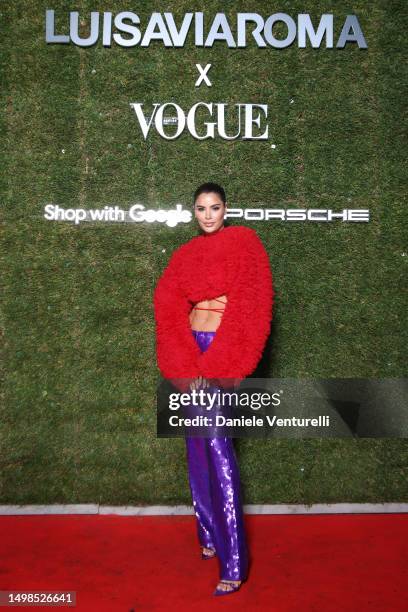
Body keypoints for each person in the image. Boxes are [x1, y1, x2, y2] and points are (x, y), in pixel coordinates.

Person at [153, 182, 274, 596]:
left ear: (226, 209)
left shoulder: (244, 243)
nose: (208, 215)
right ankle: (207, 534)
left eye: (215, 207)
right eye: (201, 208)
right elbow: (167, 301)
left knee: (218, 448)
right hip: (190, 351)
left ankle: (235, 562)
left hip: (220, 353)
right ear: (194, 211)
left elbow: (252, 307)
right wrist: (184, 362)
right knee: (195, 445)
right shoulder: (185, 255)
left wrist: (219, 365)